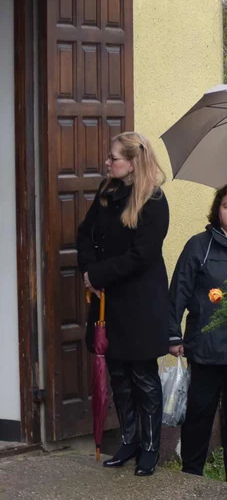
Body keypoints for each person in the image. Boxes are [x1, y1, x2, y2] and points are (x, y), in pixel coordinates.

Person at [76, 132, 170, 477]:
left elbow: (141, 255)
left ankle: (149, 447)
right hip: (108, 300)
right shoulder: (107, 192)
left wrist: (99, 274)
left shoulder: (154, 201)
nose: (107, 163)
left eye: (113, 158)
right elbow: (84, 234)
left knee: (143, 375)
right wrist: (89, 272)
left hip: (140, 303)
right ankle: (129, 440)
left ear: (132, 162)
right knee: (117, 373)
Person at [168, 183, 227, 485]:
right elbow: (178, 291)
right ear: (217, 210)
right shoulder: (199, 245)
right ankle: (192, 473)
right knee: (200, 413)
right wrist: (172, 335)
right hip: (206, 348)